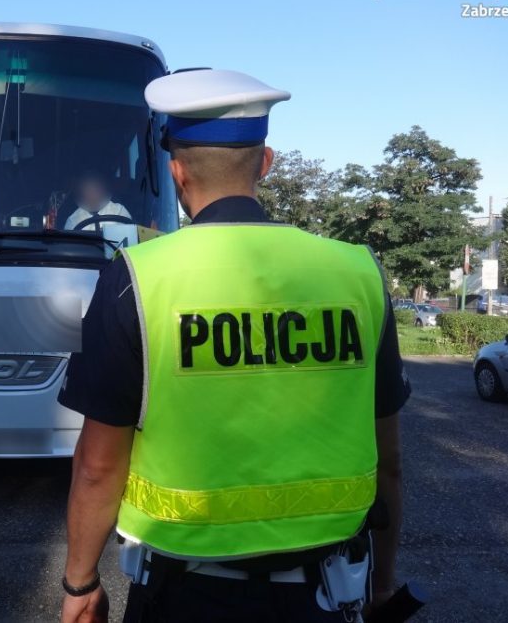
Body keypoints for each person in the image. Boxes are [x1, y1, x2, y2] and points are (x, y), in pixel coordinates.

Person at [58, 69, 409, 623]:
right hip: (328, 596)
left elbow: (99, 466)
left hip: (185, 597)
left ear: (176, 172)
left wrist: (79, 582)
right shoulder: (358, 273)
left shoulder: (137, 278)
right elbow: (388, 459)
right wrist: (383, 584)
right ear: (265, 163)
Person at [64, 170, 132, 231]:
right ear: (80, 194)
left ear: (104, 190)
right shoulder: (73, 220)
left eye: (96, 190)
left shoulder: (119, 210)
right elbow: (68, 243)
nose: (92, 196)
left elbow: (130, 235)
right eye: (87, 191)